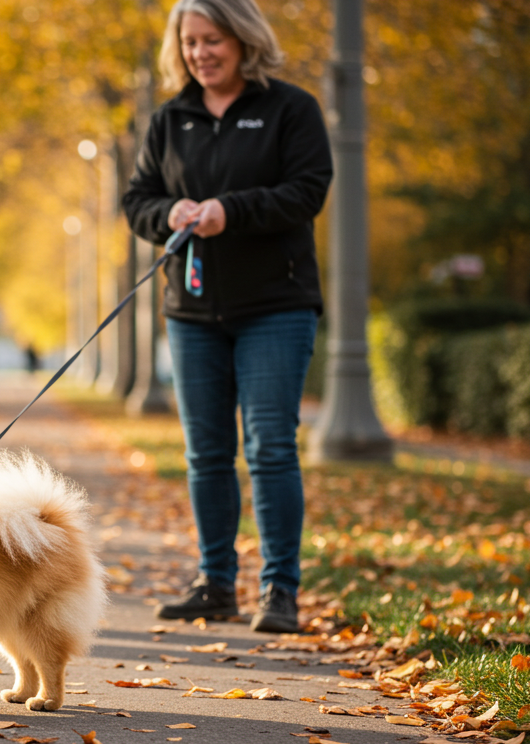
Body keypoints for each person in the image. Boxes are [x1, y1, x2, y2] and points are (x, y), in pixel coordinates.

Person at [121, 0, 332, 633]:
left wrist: (228, 211)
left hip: (275, 305)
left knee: (270, 448)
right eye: (189, 42)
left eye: (213, 40)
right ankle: (215, 583)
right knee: (206, 453)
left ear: (243, 40)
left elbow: (308, 190)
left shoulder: (289, 109)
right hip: (191, 312)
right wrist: (172, 215)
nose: (200, 53)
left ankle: (279, 590)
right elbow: (136, 202)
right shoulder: (170, 119)